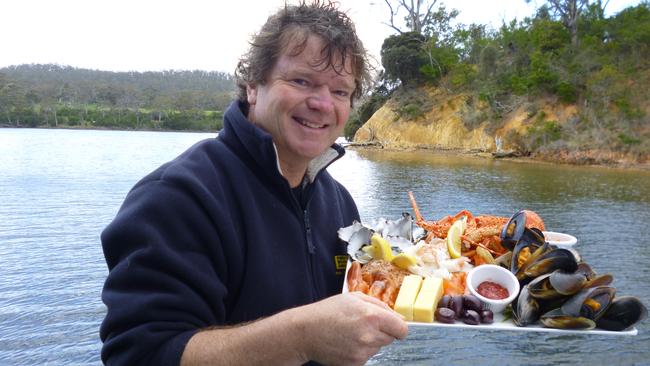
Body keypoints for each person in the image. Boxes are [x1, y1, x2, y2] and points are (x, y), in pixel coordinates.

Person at [99, 1, 408, 365]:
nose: (323, 103)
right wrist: (300, 338)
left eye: (340, 91)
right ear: (253, 86)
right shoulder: (177, 197)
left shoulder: (339, 202)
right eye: (301, 81)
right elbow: (139, 354)